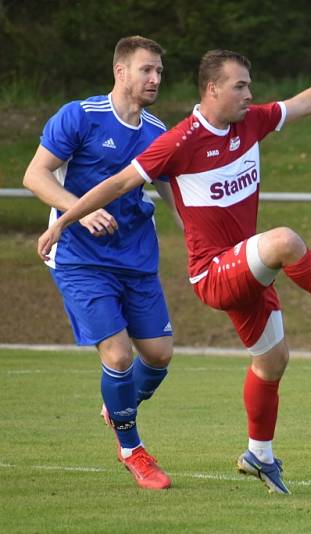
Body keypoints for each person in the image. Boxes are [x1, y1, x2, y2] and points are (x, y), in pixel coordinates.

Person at [36, 48, 311, 495]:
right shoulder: (177, 140)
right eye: (240, 86)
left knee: (271, 363)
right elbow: (117, 184)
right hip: (214, 273)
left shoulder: (252, 122)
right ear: (212, 89)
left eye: (249, 85)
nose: (250, 94)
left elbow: (308, 101)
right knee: (285, 240)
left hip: (245, 267)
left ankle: (260, 455)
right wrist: (65, 218)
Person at [23, 36, 177, 490]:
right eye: (146, 70)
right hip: (80, 258)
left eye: (159, 72)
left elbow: (174, 195)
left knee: (159, 356)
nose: (154, 79)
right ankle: (132, 449)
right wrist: (80, 210)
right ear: (121, 71)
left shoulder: (158, 131)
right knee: (118, 354)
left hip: (137, 256)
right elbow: (34, 174)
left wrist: (203, 236)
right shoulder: (80, 116)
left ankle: (118, 406)